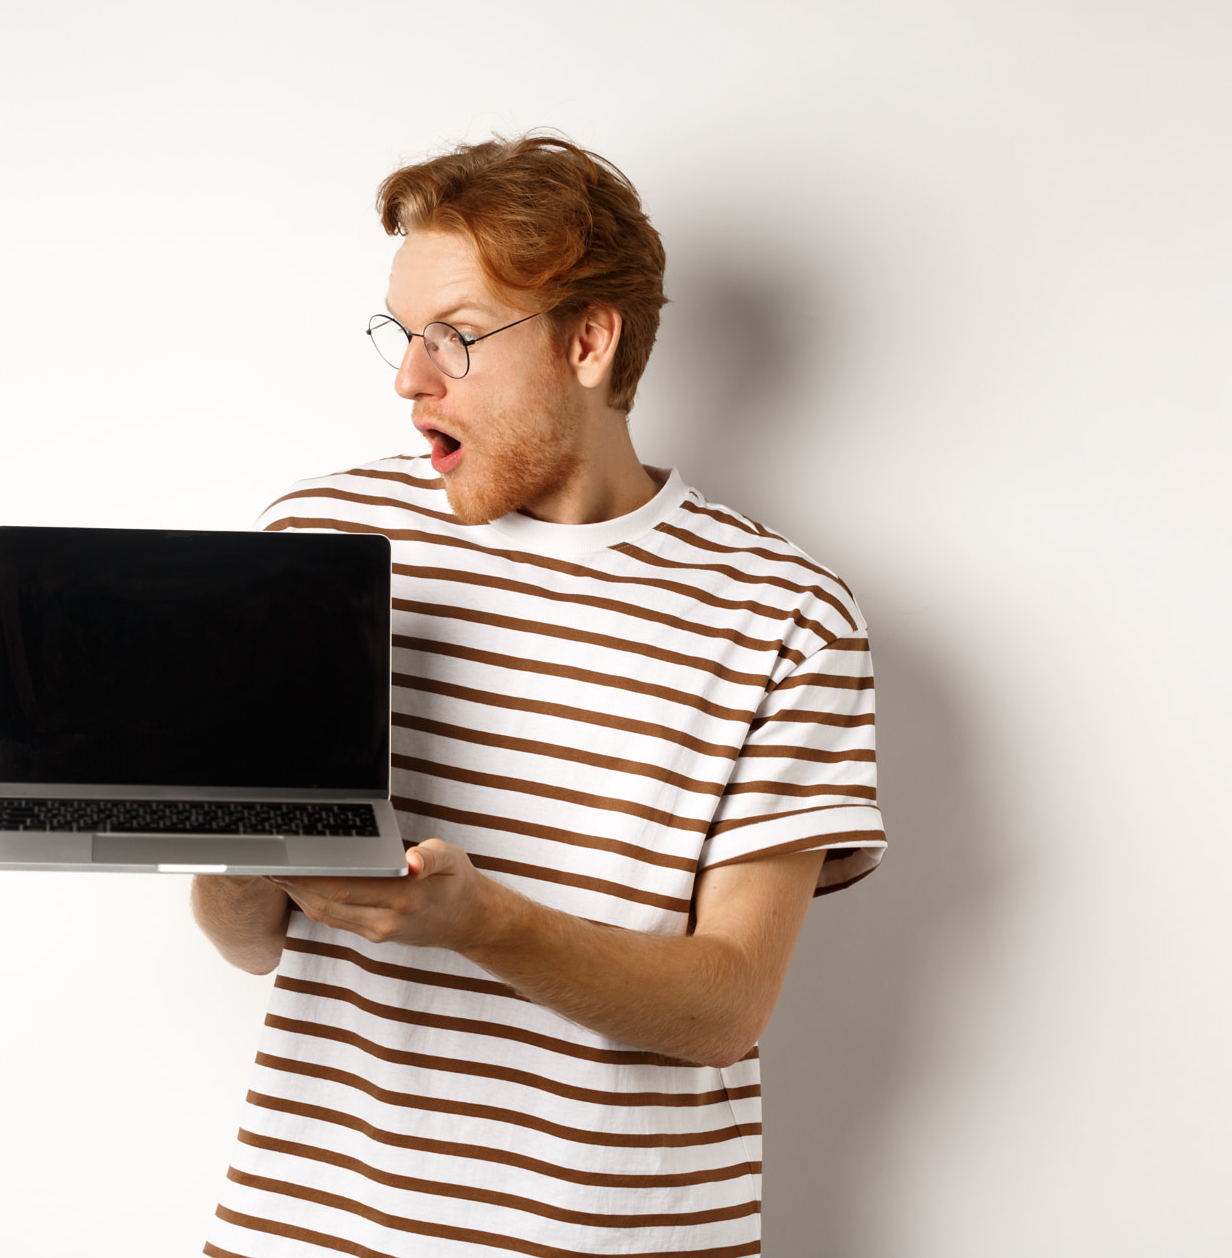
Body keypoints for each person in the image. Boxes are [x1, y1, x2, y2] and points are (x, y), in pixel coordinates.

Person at [192, 133, 884, 1258]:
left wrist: (478, 920)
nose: (411, 380)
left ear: (590, 342)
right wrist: (238, 842)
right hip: (308, 1230)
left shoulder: (785, 615)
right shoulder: (320, 546)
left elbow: (723, 1008)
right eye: (402, 337)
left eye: (456, 338)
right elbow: (247, 939)